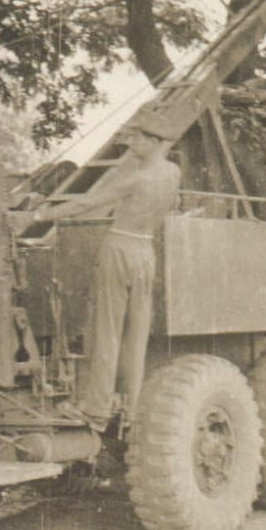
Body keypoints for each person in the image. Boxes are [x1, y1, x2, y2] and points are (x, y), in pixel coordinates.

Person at [31, 112, 183, 432]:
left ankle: (96, 408)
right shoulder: (172, 173)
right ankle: (132, 406)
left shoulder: (135, 178)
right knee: (136, 331)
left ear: (155, 142)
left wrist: (43, 213)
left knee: (106, 330)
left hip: (119, 247)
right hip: (145, 250)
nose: (132, 143)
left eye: (139, 138)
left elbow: (86, 204)